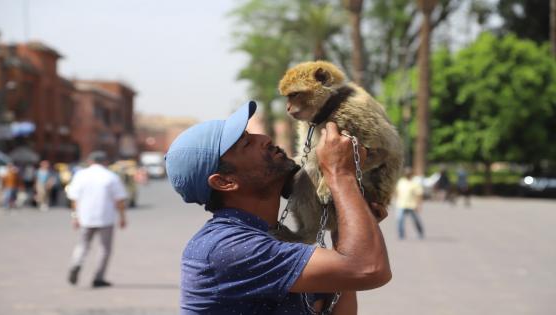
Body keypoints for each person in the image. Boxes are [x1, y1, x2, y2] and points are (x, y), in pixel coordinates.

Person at [165, 102, 391, 314]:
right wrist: (340, 173)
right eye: (246, 143)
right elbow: (368, 269)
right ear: (224, 182)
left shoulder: (270, 239)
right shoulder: (225, 247)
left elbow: (345, 289)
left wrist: (345, 227)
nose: (263, 138)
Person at [66, 151, 128, 288]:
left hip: (85, 217)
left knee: (83, 245)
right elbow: (119, 200)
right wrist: (123, 217)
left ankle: (76, 264)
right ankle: (98, 278)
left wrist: (75, 216)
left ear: (90, 161)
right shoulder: (111, 177)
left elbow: (74, 199)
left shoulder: (80, 175)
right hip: (105, 218)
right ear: (105, 162)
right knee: (104, 248)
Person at [395, 168, 425, 240]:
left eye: (409, 173)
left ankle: (420, 232)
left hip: (412, 205)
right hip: (401, 204)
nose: (407, 174)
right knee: (400, 220)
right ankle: (401, 235)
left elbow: (419, 195)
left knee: (416, 220)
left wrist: (419, 205)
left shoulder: (415, 182)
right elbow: (397, 191)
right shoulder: (401, 182)